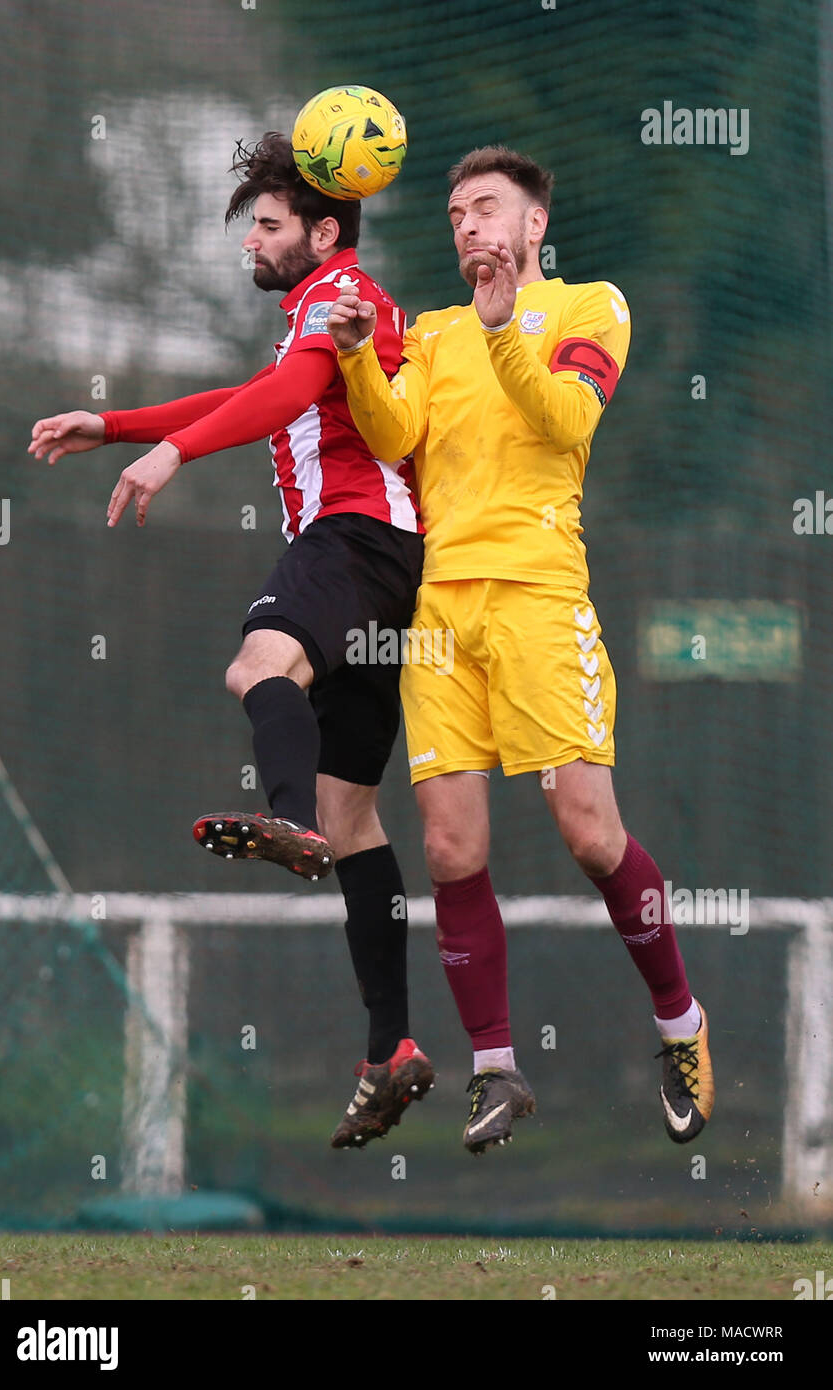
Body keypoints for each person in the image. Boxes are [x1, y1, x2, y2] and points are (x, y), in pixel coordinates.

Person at [28, 133, 434, 1148]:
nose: (248, 243)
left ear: (322, 230)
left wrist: (166, 453)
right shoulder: (319, 308)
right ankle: (391, 1046)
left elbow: (287, 398)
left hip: (355, 539)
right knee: (356, 821)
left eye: (265, 224)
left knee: (255, 665)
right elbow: (254, 398)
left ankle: (282, 818)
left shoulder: (342, 295)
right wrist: (118, 425)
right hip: (387, 565)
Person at [327, 144, 714, 1155]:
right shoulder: (437, 333)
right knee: (451, 846)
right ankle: (494, 1069)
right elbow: (389, 436)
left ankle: (679, 1022)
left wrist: (504, 332)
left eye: (486, 208)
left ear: (533, 225)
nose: (467, 226)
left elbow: (564, 417)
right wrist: (365, 355)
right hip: (441, 614)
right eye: (455, 212)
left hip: (541, 599)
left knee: (588, 833)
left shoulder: (592, 307)